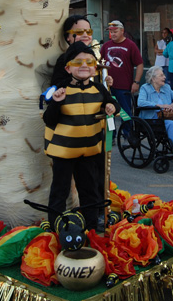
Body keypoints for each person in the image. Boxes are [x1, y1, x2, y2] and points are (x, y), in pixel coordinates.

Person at [43, 41, 120, 230]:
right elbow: (49, 120)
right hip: (64, 151)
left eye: (89, 62)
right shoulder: (59, 89)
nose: (84, 66)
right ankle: (56, 228)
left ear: (95, 68)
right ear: (68, 68)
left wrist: (111, 107)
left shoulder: (100, 89)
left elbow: (113, 104)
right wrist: (56, 103)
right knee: (59, 191)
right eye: (78, 63)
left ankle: (92, 227)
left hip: (90, 151)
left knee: (90, 190)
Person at [100, 20, 144, 118]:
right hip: (107, 86)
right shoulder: (106, 45)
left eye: (115, 31)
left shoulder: (130, 45)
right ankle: (112, 133)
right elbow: (99, 62)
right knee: (108, 112)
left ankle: (127, 132)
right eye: (111, 32)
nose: (113, 34)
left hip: (123, 86)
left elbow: (140, 64)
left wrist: (136, 82)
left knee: (125, 112)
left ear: (122, 31)